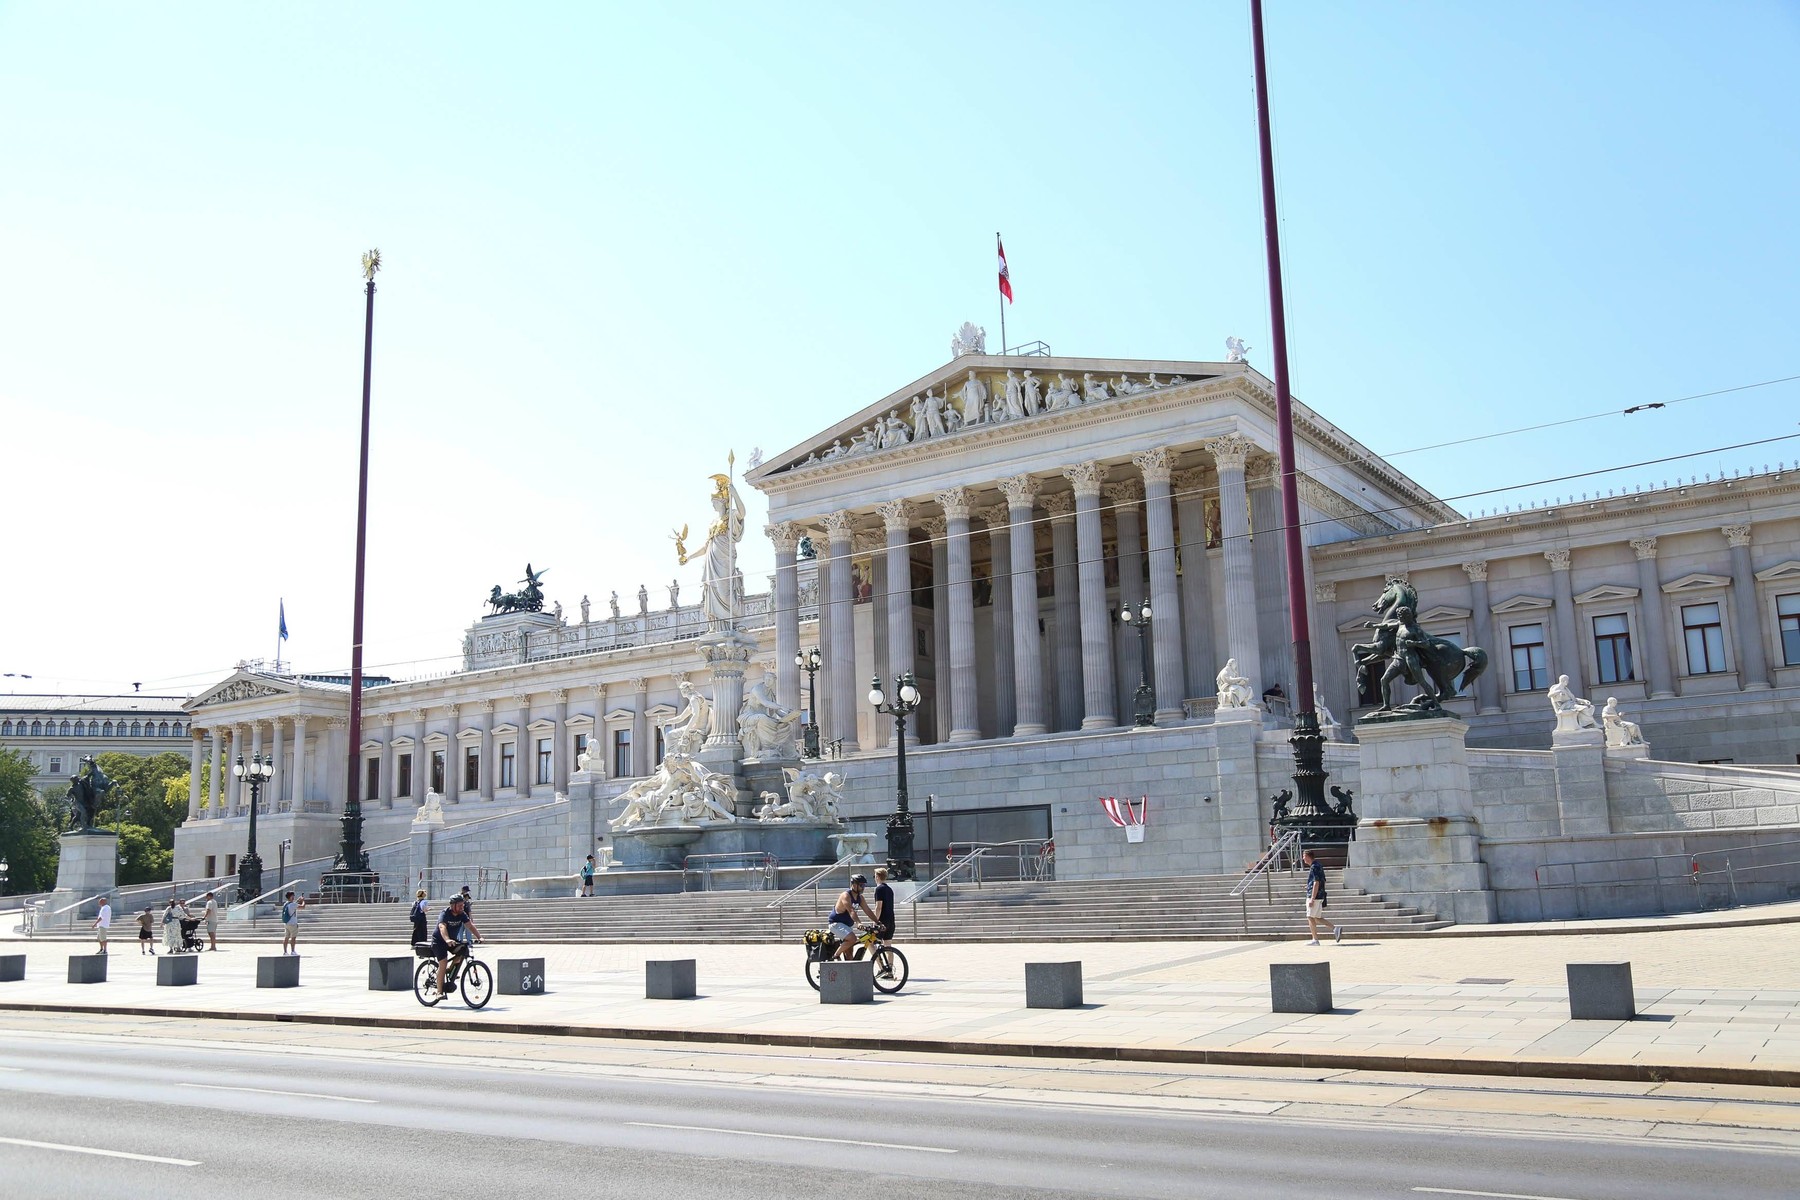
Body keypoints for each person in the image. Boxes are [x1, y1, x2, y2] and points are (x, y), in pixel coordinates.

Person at [433, 893, 482, 996]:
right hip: (439, 941)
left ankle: (450, 970)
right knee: (443, 962)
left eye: (462, 905)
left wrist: (479, 937)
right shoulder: (445, 913)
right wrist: (447, 939)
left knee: (463, 951)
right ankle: (439, 992)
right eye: (459, 905)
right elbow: (442, 927)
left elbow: (470, 925)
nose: (461, 907)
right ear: (452, 905)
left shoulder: (462, 914)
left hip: (452, 940)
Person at [829, 874, 880, 960]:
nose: (863, 887)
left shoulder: (860, 898)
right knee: (852, 939)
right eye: (861, 885)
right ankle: (835, 956)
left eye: (864, 885)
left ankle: (849, 972)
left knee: (849, 953)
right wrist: (858, 923)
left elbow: (867, 910)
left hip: (846, 926)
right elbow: (851, 910)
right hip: (836, 924)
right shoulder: (846, 895)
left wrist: (878, 922)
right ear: (854, 885)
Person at [1302, 850, 1341, 946]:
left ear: (1308, 856)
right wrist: (1309, 886)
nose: (1303, 858)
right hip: (1319, 895)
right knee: (1316, 917)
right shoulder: (1317, 865)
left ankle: (1315, 939)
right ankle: (1335, 929)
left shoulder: (1314, 867)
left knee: (1310, 917)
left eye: (1304, 856)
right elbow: (1319, 881)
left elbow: (1317, 882)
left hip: (1315, 896)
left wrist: (1312, 898)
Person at [870, 867, 896, 951]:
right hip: (891, 920)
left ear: (877, 877)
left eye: (874, 876)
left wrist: (875, 921)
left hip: (882, 921)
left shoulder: (879, 889)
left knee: (871, 943)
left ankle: (879, 963)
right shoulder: (889, 889)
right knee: (888, 946)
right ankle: (890, 964)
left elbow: (878, 907)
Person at [280, 890, 303, 955]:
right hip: (293, 923)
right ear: (290, 897)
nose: (294, 897)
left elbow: (293, 905)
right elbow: (302, 907)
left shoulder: (286, 904)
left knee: (286, 937)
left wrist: (297, 901)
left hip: (286, 923)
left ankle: (285, 952)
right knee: (293, 938)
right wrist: (303, 901)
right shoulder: (293, 904)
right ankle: (293, 951)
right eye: (293, 896)